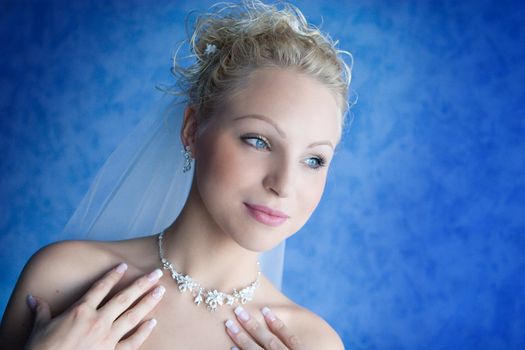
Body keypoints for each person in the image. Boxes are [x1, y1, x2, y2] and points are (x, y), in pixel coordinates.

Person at [0, 0, 353, 348]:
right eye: (258, 140)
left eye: (314, 160)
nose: (284, 185)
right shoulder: (63, 280)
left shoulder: (312, 343)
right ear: (192, 129)